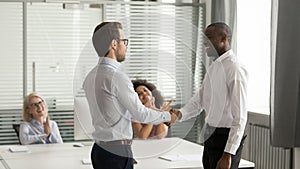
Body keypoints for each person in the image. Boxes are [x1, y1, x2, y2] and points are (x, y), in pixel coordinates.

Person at [83, 22, 176, 169]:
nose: (126, 46)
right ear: (114, 44)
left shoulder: (90, 76)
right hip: (116, 151)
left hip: (100, 150)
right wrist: (168, 116)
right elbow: (141, 115)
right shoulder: (116, 76)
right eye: (124, 41)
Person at [170, 22, 248, 169]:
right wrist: (179, 114)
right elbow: (199, 100)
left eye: (209, 37)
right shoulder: (214, 67)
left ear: (223, 39)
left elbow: (240, 117)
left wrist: (228, 154)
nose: (204, 41)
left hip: (225, 138)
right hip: (210, 134)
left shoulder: (235, 68)